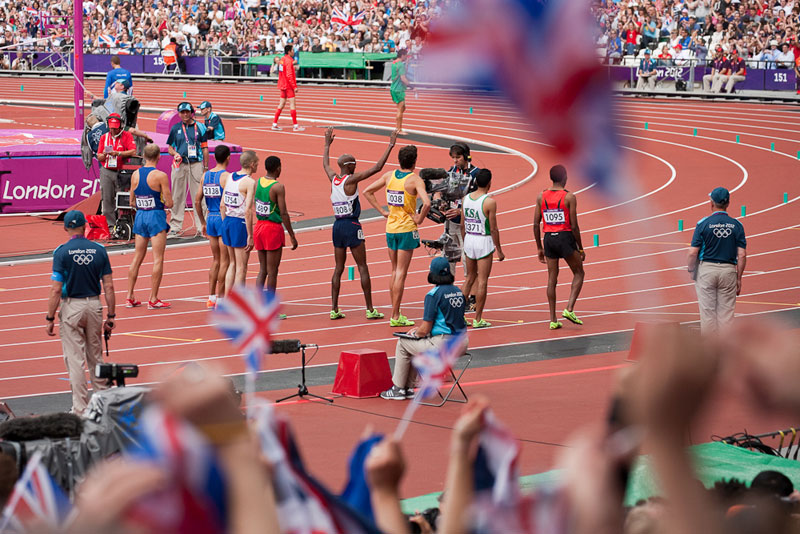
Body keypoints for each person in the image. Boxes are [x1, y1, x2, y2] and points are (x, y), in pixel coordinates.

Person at [322, 126, 397, 320]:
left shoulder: (334, 179)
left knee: (338, 268)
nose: (356, 166)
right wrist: (390, 145)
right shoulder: (351, 180)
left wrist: (326, 145)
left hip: (337, 226)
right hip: (352, 226)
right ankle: (370, 309)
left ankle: (334, 309)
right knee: (362, 266)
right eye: (354, 164)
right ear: (349, 166)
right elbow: (377, 168)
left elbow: (325, 165)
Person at [46, 211, 115, 414]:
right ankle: (102, 407)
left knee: (75, 359)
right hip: (94, 305)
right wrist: (111, 316)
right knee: (96, 356)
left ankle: (81, 409)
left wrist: (50, 317)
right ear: (86, 226)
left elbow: (56, 289)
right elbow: (109, 286)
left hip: (71, 307)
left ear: (66, 228)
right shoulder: (99, 250)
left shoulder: (61, 252)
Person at [380, 256, 466, 400]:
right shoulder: (459, 292)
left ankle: (399, 388)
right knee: (414, 343)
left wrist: (416, 332)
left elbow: (425, 328)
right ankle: (407, 386)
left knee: (403, 343)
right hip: (462, 344)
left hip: (443, 345)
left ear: (433, 273)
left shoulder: (433, 295)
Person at [364, 145, 430, 327]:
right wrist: (419, 219)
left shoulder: (389, 176)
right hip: (407, 229)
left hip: (391, 228)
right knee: (401, 273)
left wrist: (382, 211)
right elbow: (427, 203)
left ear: (399, 161)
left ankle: (396, 312)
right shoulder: (415, 180)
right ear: (414, 161)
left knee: (394, 271)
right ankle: (395, 315)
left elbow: (367, 191)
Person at [687, 187, 746, 333]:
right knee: (726, 318)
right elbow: (742, 255)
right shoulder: (737, 225)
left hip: (707, 271)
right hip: (728, 271)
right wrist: (738, 278)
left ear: (711, 203)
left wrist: (691, 269)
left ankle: (709, 353)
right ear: (728, 203)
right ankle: (726, 352)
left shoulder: (703, 224)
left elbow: (693, 252)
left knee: (708, 316)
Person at [533, 165, 585, 330]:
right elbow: (575, 226)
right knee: (579, 272)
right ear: (565, 178)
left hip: (548, 238)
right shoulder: (569, 197)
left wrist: (539, 247)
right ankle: (569, 308)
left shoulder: (541, 196)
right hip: (565, 237)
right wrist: (581, 248)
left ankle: (553, 319)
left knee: (551, 280)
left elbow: (535, 223)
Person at [126, 144, 174, 310]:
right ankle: (153, 298)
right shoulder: (161, 175)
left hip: (140, 216)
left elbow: (131, 201)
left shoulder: (135, 174)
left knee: (137, 258)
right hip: (155, 217)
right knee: (158, 259)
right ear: (159, 157)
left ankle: (129, 295)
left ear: (144, 156)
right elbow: (170, 202)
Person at [460, 169, 505, 329]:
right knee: (482, 280)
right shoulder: (489, 202)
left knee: (469, 278)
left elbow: (462, 224)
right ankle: (478, 318)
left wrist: (465, 240)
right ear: (490, 183)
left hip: (469, 239)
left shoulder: (465, 199)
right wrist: (499, 249)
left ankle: (460, 316)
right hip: (483, 241)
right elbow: (493, 229)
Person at [253, 156, 298, 312]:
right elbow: (284, 213)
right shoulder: (278, 187)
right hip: (272, 229)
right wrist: (292, 235)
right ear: (278, 168)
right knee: (273, 271)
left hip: (258, 226)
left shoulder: (257, 182)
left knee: (262, 269)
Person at [195, 144, 231, 308]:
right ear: (228, 158)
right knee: (225, 261)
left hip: (210, 217)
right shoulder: (227, 177)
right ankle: (222, 299)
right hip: (223, 218)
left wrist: (202, 221)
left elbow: (197, 201)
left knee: (216, 260)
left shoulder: (205, 176)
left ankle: (211, 298)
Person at [166, 101, 209, 237]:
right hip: (180, 165)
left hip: (196, 164)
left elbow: (205, 148)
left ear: (192, 113)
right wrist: (175, 154)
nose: (185, 114)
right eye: (182, 112)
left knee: (199, 196)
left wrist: (206, 168)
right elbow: (170, 148)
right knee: (177, 195)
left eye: (187, 112)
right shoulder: (175, 128)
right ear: (178, 113)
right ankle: (175, 226)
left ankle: (201, 225)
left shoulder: (201, 127)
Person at [220, 150, 258, 292]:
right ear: (252, 164)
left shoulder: (230, 177)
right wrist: (250, 235)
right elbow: (248, 211)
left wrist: (225, 223)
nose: (258, 166)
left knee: (232, 264)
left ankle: (228, 300)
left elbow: (222, 205)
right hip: (239, 223)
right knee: (242, 267)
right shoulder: (250, 182)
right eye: (257, 163)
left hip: (227, 221)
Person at [445, 142, 481, 278]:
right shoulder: (450, 172)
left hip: (468, 224)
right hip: (450, 222)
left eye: (458, 157)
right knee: (449, 257)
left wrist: (461, 211)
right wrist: (443, 204)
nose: (455, 161)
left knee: (468, 258)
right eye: (453, 158)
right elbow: (443, 193)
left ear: (466, 156)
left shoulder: (476, 174)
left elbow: (479, 200)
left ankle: (471, 291)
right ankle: (448, 288)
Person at [96, 112, 136, 229]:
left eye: (116, 128)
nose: (113, 131)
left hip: (121, 171)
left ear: (120, 126)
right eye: (111, 128)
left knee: (122, 198)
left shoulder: (126, 135)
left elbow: (133, 151)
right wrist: (103, 155)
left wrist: (118, 153)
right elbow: (99, 156)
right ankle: (110, 225)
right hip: (106, 170)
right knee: (107, 198)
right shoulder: (104, 137)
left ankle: (123, 223)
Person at [272, 45, 304, 132]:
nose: (294, 52)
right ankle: (295, 125)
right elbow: (289, 75)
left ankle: (274, 124)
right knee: (292, 105)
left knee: (281, 104)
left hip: (282, 84)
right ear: (289, 51)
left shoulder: (282, 59)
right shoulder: (289, 61)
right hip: (288, 86)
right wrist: (294, 87)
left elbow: (282, 72)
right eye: (293, 50)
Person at [86, 114, 151, 156]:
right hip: (117, 158)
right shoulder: (108, 125)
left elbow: (92, 152)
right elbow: (133, 130)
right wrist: (145, 136)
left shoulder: (88, 136)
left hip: (103, 165)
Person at [390, 48, 411, 134]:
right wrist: (411, 86)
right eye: (406, 55)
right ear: (403, 55)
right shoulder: (400, 65)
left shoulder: (394, 63)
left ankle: (398, 127)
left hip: (394, 88)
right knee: (400, 109)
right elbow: (403, 78)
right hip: (399, 89)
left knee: (402, 108)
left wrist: (405, 64)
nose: (406, 57)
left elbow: (399, 73)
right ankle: (398, 129)